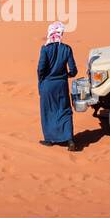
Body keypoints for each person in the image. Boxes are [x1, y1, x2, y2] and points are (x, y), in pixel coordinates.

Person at [37, 21, 78, 151]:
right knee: (64, 110)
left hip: (47, 85)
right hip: (61, 85)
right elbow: (73, 70)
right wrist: (66, 75)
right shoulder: (66, 49)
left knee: (48, 111)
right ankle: (69, 139)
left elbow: (40, 69)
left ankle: (49, 139)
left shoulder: (45, 49)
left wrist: (42, 82)